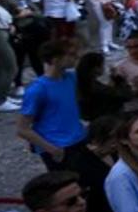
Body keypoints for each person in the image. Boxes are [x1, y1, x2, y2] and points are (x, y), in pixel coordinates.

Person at [15, 39, 86, 168]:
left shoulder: (71, 78)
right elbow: (22, 129)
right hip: (58, 146)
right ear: (55, 59)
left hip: (78, 139)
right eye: (70, 54)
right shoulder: (38, 89)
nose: (76, 57)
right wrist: (52, 149)